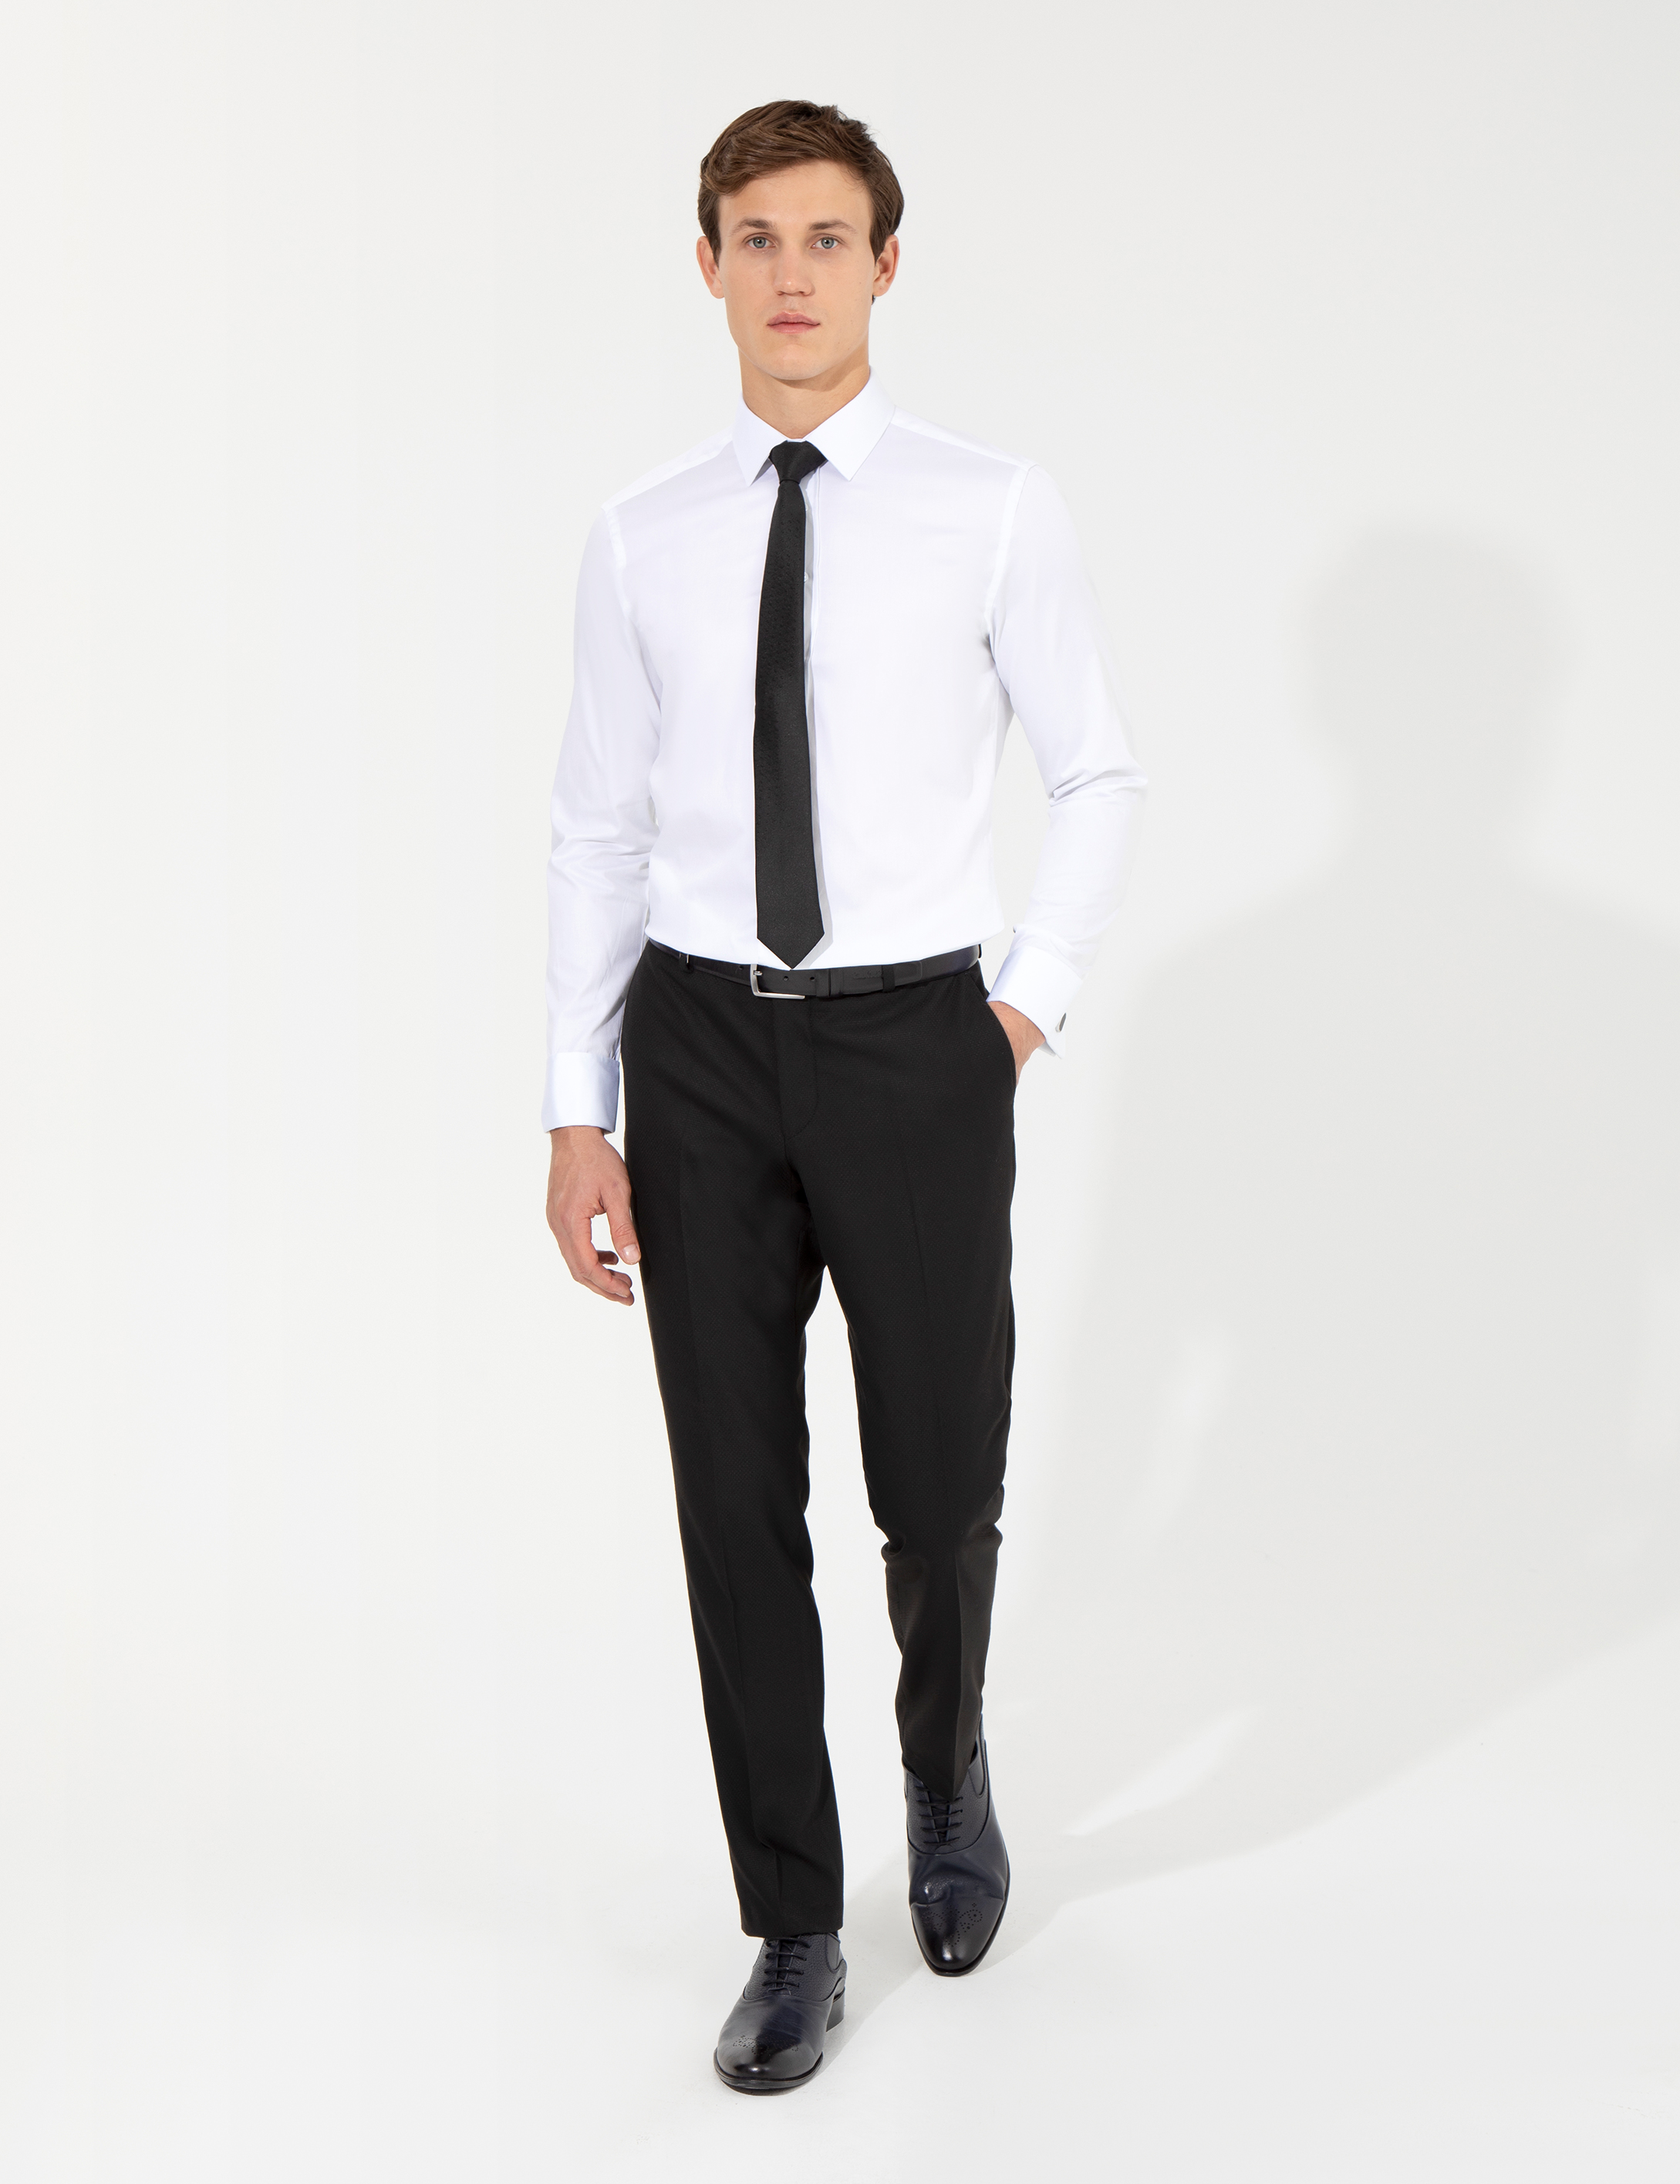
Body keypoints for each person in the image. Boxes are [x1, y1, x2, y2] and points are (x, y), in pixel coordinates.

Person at [543, 99, 1145, 2092]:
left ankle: (943, 1768)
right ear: (705, 266)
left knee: (935, 1475)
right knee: (733, 1500)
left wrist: (1017, 1011)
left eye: (826, 238)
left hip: (913, 1042)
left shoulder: (990, 508)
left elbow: (1096, 771)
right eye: (756, 238)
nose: (791, 274)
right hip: (699, 1048)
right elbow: (596, 829)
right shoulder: (641, 535)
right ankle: (792, 1919)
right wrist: (575, 1107)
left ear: (887, 265)